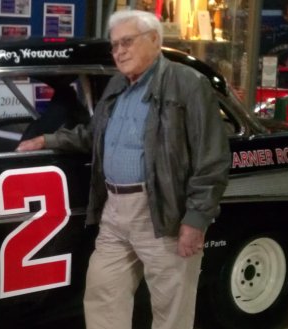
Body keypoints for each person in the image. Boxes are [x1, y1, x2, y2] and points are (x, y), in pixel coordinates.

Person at [17, 9, 230, 329]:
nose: (119, 51)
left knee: (171, 308)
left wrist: (196, 219)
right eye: (115, 45)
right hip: (114, 209)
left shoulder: (187, 83)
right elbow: (93, 134)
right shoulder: (117, 85)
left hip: (163, 211)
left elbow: (211, 156)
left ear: (155, 40)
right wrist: (47, 139)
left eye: (127, 42)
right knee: (104, 291)